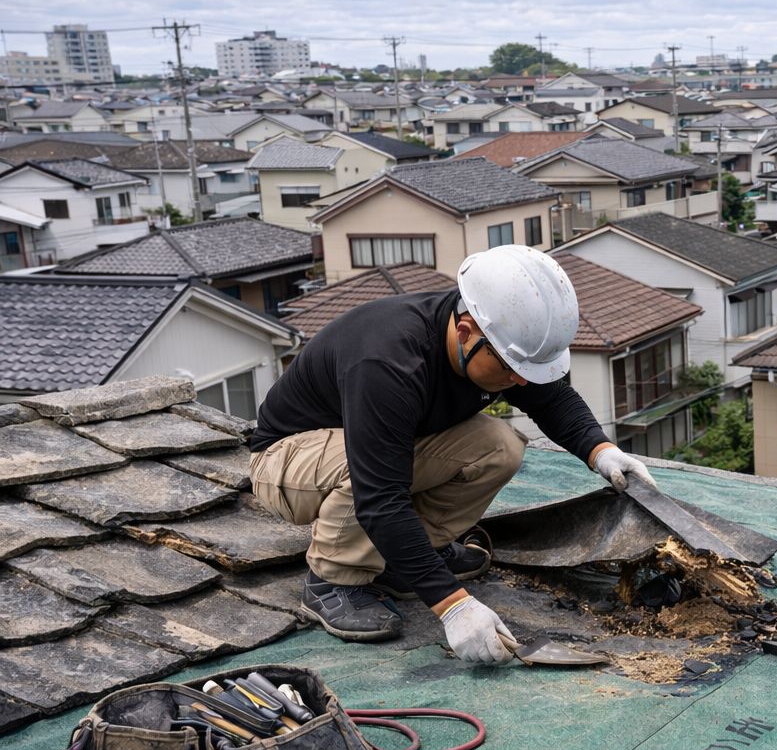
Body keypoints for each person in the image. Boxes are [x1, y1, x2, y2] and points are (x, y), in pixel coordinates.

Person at [248, 245, 656, 663]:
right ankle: (332, 580)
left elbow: (552, 400)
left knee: (500, 445)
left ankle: (396, 562)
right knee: (371, 472)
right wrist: (452, 604)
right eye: (510, 369)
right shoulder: (388, 362)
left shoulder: (494, 337)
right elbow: (380, 497)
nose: (518, 381)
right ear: (465, 332)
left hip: (368, 445)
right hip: (286, 460)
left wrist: (601, 451)